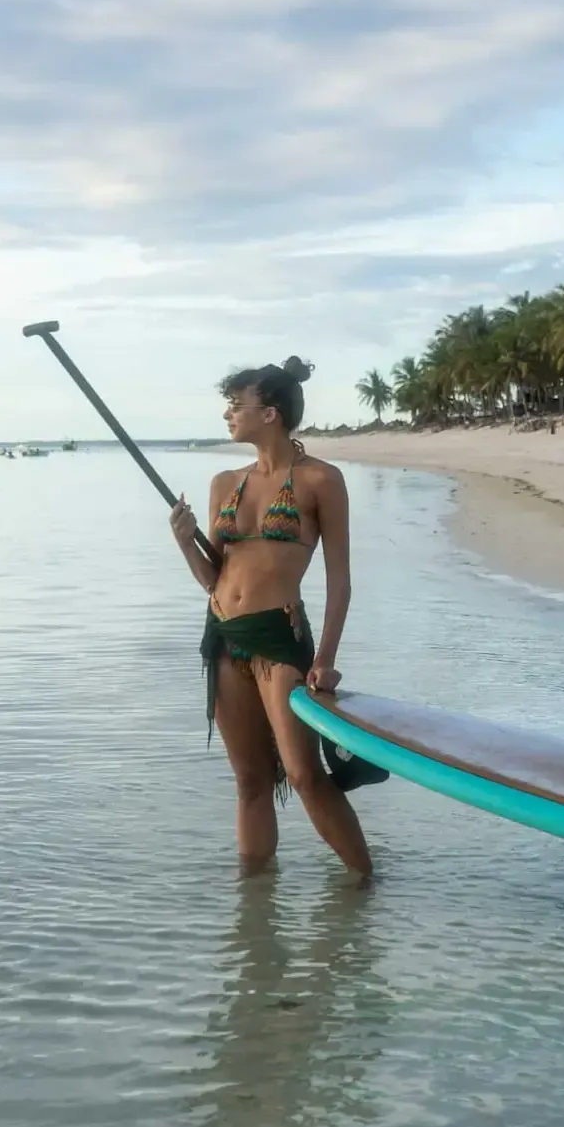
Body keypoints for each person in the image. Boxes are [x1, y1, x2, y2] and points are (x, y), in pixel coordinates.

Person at [169, 356, 374, 878]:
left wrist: (325, 659)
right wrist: (183, 540)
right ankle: (254, 905)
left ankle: (364, 885)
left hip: (279, 638)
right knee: (250, 781)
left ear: (272, 413)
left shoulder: (320, 480)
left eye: (237, 405)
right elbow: (213, 576)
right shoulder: (223, 482)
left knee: (304, 775)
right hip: (222, 636)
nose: (227, 414)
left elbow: (340, 580)